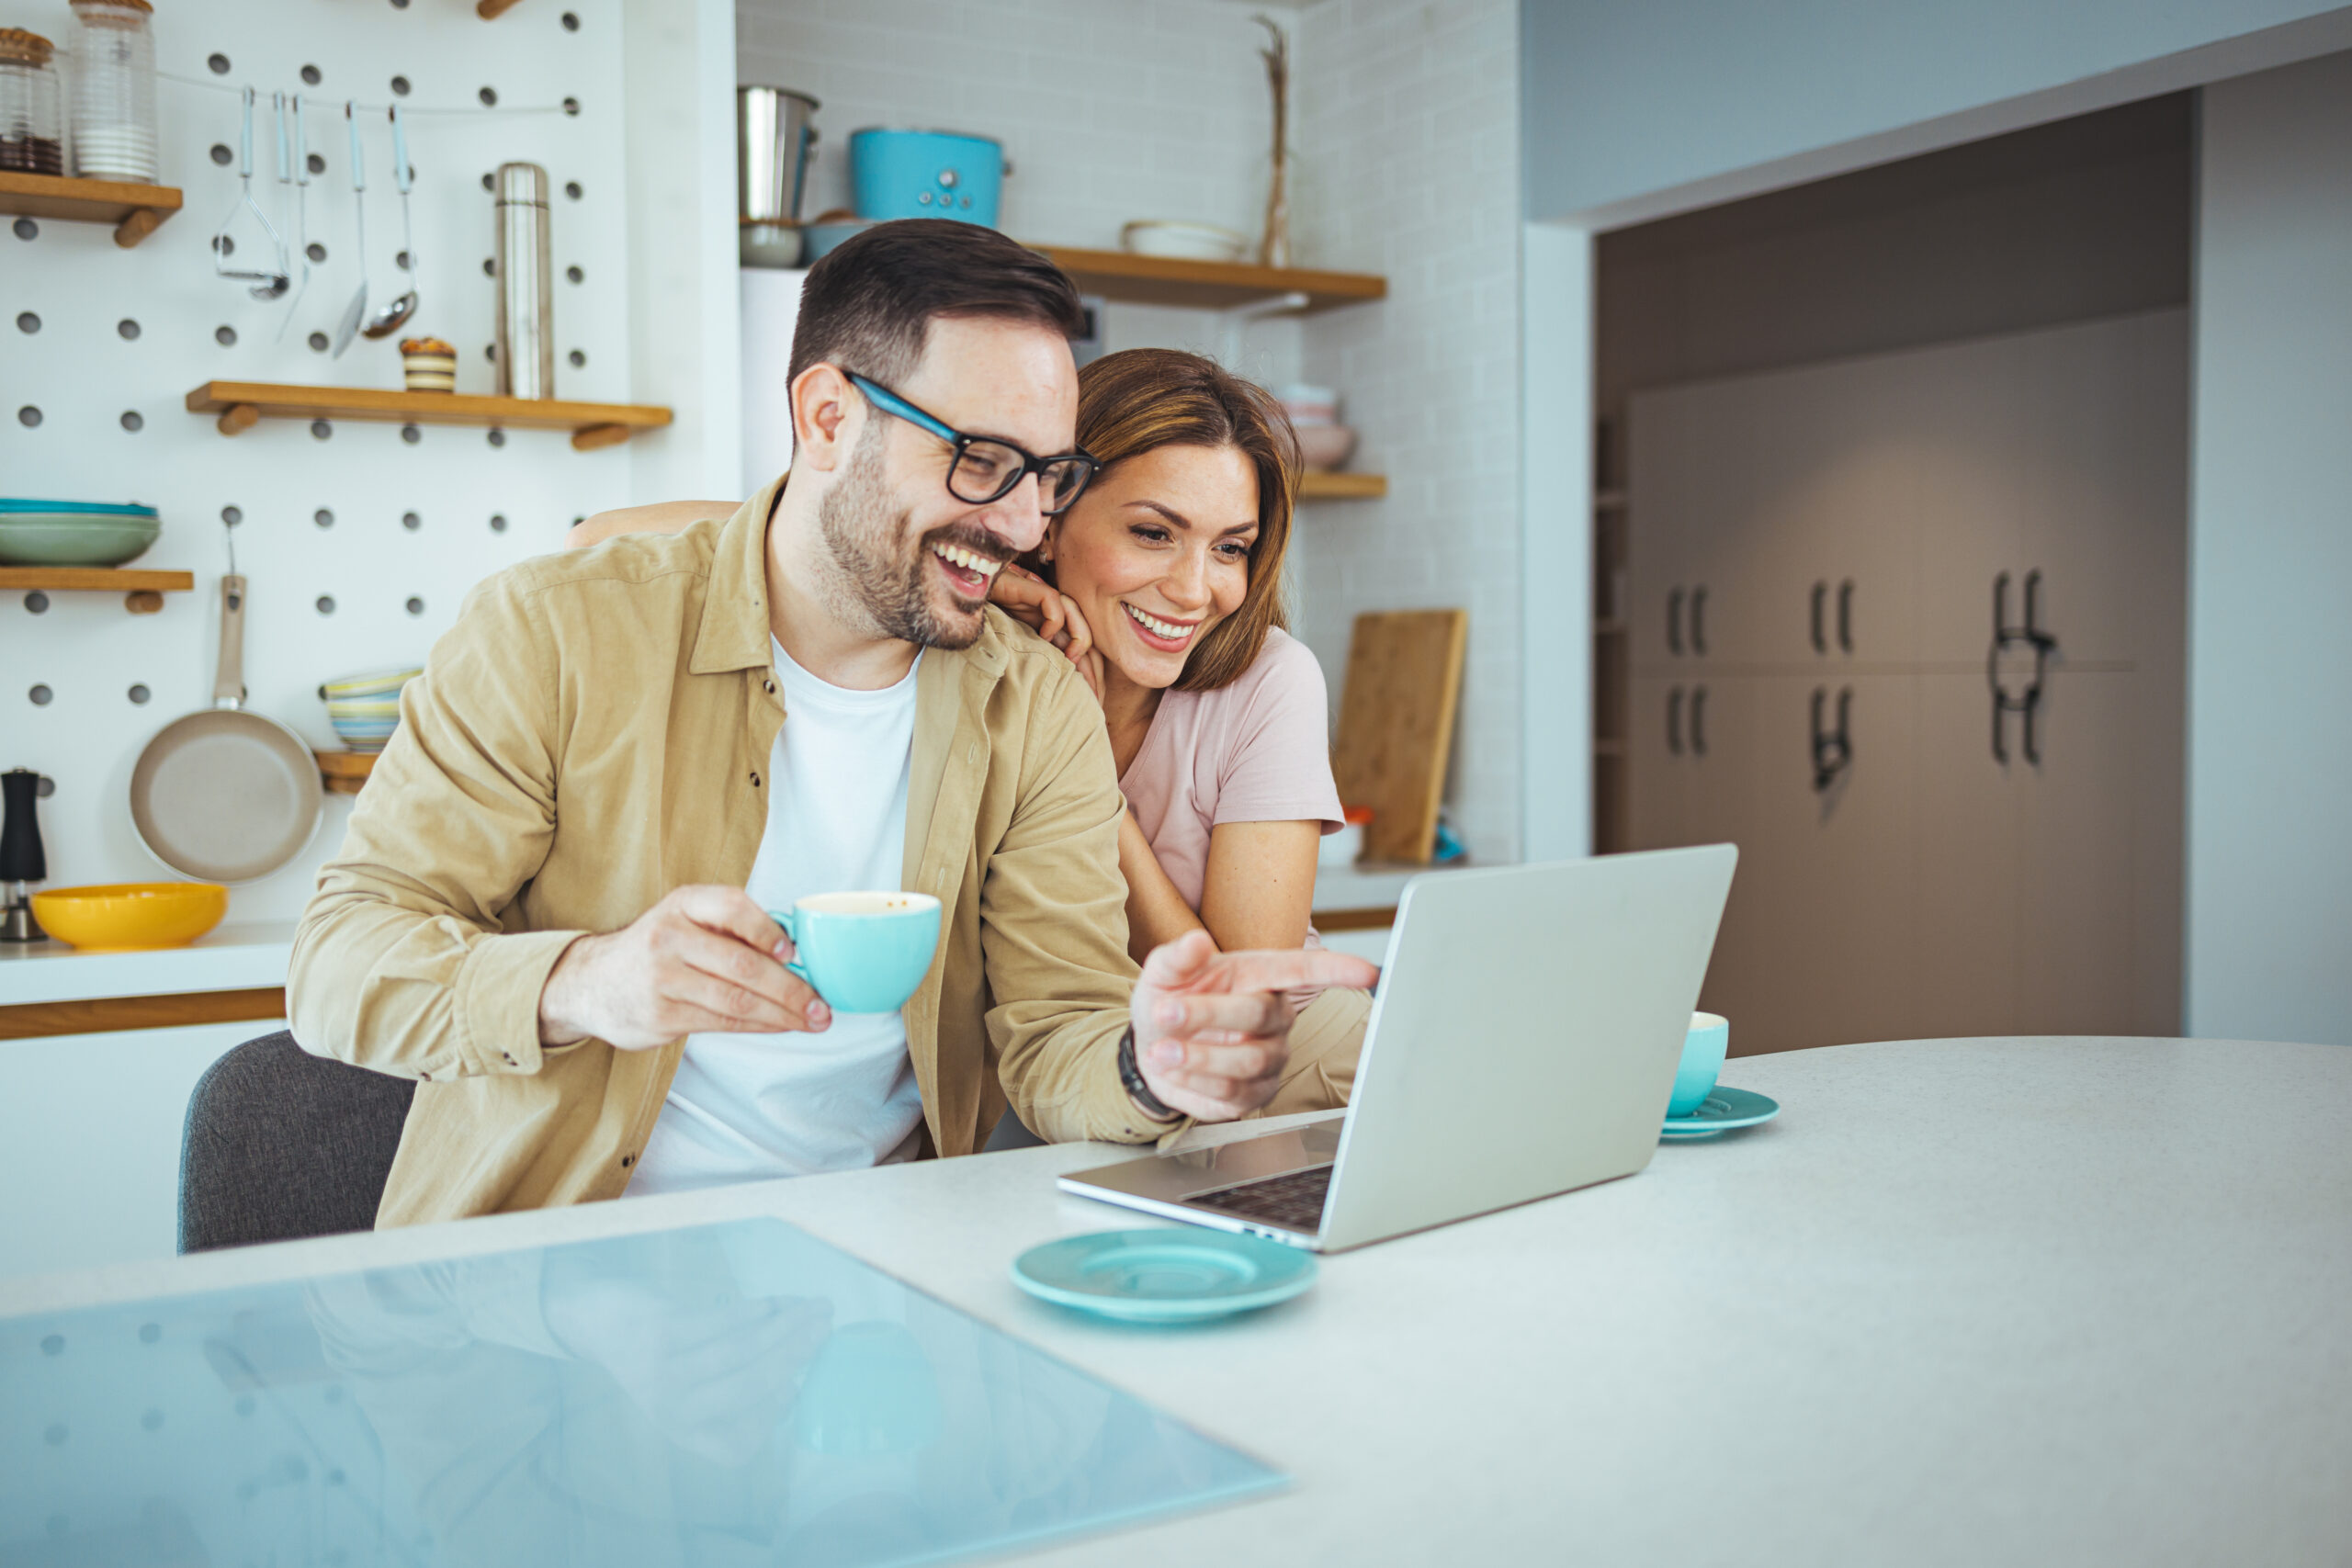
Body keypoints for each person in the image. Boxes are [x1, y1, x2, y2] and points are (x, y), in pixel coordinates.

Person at [288, 219, 1375, 1226]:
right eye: (980, 460)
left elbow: (1055, 1035)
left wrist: (1148, 1068)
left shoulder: (1033, 700)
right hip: (553, 1275)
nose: (1020, 523)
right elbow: (337, 967)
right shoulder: (559, 632)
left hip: (889, 1261)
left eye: (1049, 477)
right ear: (826, 417)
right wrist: (584, 982)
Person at [575, 347, 1371, 1118]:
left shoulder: (1268, 677)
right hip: (1111, 1073)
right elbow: (598, 537)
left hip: (1287, 1073)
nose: (1196, 588)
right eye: (1154, 534)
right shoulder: (976, 636)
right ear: (1046, 516)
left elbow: (1235, 993)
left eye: (1231, 547)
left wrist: (1089, 781)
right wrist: (998, 570)